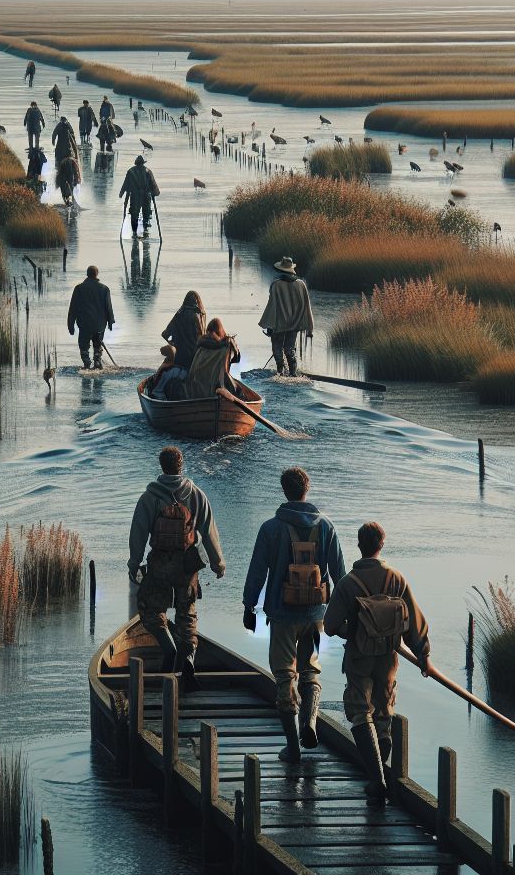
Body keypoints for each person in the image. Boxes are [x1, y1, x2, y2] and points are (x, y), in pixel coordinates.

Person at [322, 522, 431, 807]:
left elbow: (331, 626)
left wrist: (352, 629)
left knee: (359, 711)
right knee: (384, 710)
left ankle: (377, 779)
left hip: (359, 657)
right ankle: (381, 760)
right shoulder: (396, 578)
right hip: (389, 657)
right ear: (382, 544)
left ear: (359, 545)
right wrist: (424, 656)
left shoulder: (348, 583)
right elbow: (415, 623)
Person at [242, 467, 346, 762]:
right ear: (307, 489)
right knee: (310, 670)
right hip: (316, 615)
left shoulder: (270, 528)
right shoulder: (326, 527)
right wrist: (343, 612)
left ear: (284, 491)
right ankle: (310, 723)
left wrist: (249, 606)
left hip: (282, 614)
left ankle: (293, 747)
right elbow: (341, 574)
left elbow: (257, 572)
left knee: (285, 675)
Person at [129, 446, 224, 692]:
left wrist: (134, 563)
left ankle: (168, 646)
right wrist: (217, 563)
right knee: (187, 613)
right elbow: (209, 530)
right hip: (188, 564)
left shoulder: (149, 497)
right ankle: (189, 658)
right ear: (181, 466)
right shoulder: (195, 494)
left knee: (150, 609)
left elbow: (138, 533)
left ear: (162, 466)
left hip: (159, 562)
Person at [259, 256, 314, 377]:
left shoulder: (276, 285)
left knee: (277, 348)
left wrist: (269, 325)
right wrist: (309, 327)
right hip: (295, 323)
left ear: (280, 270)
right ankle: (293, 373)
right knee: (290, 349)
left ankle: (280, 372)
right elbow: (307, 306)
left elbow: (272, 306)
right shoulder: (301, 284)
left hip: (279, 323)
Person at [66, 265, 114, 370]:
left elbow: (73, 308)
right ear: (97, 274)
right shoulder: (105, 289)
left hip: (84, 324)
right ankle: (97, 362)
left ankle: (86, 363)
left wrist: (70, 324)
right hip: (99, 325)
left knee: (84, 345)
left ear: (87, 274)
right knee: (97, 345)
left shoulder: (79, 288)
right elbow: (108, 307)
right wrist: (110, 322)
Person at [181, 317, 240, 399]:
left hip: (196, 387)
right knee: (237, 391)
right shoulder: (225, 345)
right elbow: (236, 359)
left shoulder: (201, 345)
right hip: (214, 386)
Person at [162, 291, 207, 371]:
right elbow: (202, 339)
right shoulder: (199, 315)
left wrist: (171, 342)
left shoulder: (179, 314)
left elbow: (165, 334)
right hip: (194, 359)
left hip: (179, 358)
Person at [119, 154, 160, 239]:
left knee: (134, 214)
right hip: (145, 196)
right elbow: (153, 184)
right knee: (146, 213)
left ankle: (134, 232)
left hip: (135, 196)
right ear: (142, 163)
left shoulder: (131, 171)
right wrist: (155, 192)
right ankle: (145, 230)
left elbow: (125, 184)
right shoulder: (148, 171)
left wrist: (121, 193)